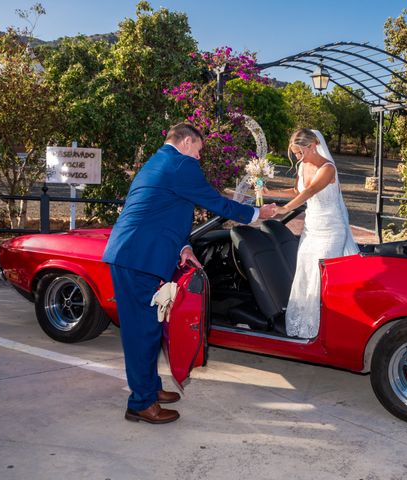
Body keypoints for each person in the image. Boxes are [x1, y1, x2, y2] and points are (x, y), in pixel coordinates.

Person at [102, 122, 276, 424]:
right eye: (198, 150)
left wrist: (183, 246)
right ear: (185, 143)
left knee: (149, 330)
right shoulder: (181, 164)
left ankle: (150, 389)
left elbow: (167, 211)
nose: (198, 157)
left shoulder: (161, 162)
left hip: (137, 254)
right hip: (137, 257)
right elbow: (215, 202)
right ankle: (141, 403)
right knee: (141, 332)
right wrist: (256, 213)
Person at [265, 128, 358, 338]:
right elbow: (298, 190)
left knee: (322, 277)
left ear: (312, 145)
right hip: (311, 229)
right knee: (305, 273)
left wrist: (284, 209)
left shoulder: (328, 168)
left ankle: (325, 329)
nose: (298, 157)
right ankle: (304, 327)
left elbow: (310, 191)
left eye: (300, 152)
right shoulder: (303, 165)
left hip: (331, 230)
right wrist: (269, 192)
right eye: (295, 154)